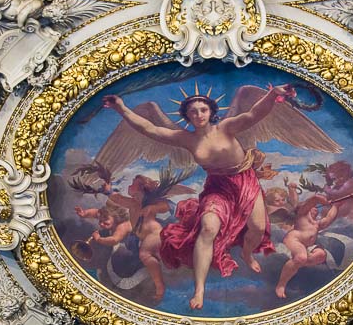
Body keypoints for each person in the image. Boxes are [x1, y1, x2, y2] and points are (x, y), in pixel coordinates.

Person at [103, 85, 295, 309]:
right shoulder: (186, 139)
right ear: (187, 116)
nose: (198, 115)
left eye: (202, 110)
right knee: (208, 228)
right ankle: (199, 289)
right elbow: (148, 129)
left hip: (245, 182)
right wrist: (121, 108)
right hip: (218, 188)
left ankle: (246, 253)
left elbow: (254, 114)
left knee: (258, 229)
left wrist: (273, 94)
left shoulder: (226, 127)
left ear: (210, 112)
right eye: (193, 112)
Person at [275, 195, 338, 298]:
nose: (314, 209)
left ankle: (294, 266)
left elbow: (329, 218)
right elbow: (313, 200)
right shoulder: (302, 215)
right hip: (294, 240)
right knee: (301, 257)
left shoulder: (317, 224)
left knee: (321, 255)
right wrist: (323, 200)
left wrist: (335, 205)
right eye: (311, 208)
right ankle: (281, 284)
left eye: (315, 208)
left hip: (307, 246)